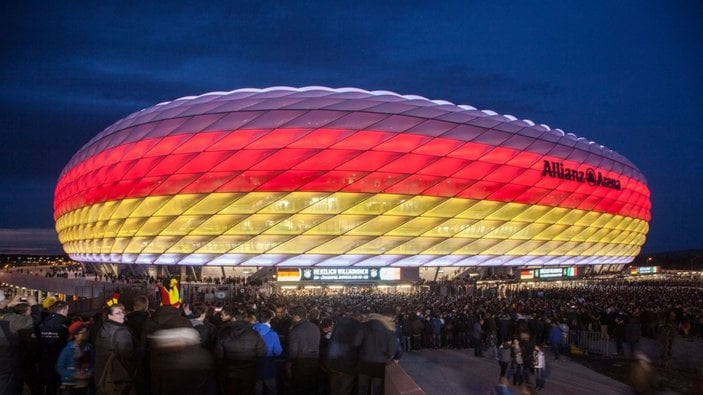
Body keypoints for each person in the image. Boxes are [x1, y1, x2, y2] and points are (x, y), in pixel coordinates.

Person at [214, 307, 267, 395]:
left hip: (230, 372)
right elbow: (262, 352)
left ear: (233, 318)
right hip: (249, 372)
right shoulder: (254, 333)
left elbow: (218, 355)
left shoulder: (223, 333)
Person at [0, 295, 41, 395]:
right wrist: (34, 304)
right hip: (8, 363)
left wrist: (8, 306)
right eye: (5, 299)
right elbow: (35, 320)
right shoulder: (11, 319)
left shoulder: (6, 317)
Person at [357, 309, 401, 395]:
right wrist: (391, 357)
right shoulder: (389, 329)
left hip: (363, 363)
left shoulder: (363, 326)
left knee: (362, 389)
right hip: (380, 365)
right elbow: (393, 350)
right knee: (377, 390)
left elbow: (356, 343)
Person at [95, 303, 135, 395]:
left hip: (103, 374)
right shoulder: (122, 331)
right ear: (110, 316)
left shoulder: (102, 329)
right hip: (120, 375)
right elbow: (128, 354)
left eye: (122, 312)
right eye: (117, 313)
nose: (122, 315)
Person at [325, 310, 363, 395]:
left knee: (334, 390)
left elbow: (331, 342)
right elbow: (358, 345)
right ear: (360, 318)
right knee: (344, 390)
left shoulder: (339, 324)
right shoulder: (359, 327)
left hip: (333, 363)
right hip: (348, 365)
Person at [38, 300, 71, 395]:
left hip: (45, 358)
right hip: (61, 359)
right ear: (65, 309)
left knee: (49, 386)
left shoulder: (44, 321)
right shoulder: (66, 322)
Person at [287, 305, 321, 395]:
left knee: (300, 389)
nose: (292, 318)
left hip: (300, 365)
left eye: (292, 315)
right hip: (315, 362)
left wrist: (289, 365)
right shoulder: (315, 327)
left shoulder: (295, 330)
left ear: (297, 316)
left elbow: (292, 352)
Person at [56, 322, 94, 395]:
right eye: (83, 332)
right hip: (69, 385)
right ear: (76, 335)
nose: (86, 333)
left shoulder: (89, 347)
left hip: (84, 384)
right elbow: (60, 367)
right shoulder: (67, 349)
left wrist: (89, 373)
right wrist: (74, 375)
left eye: (86, 331)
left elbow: (93, 363)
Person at [252, 309, 282, 395]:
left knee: (256, 389)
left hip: (253, 365)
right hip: (268, 365)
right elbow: (277, 351)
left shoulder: (250, 330)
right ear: (269, 319)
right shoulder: (272, 334)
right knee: (271, 389)